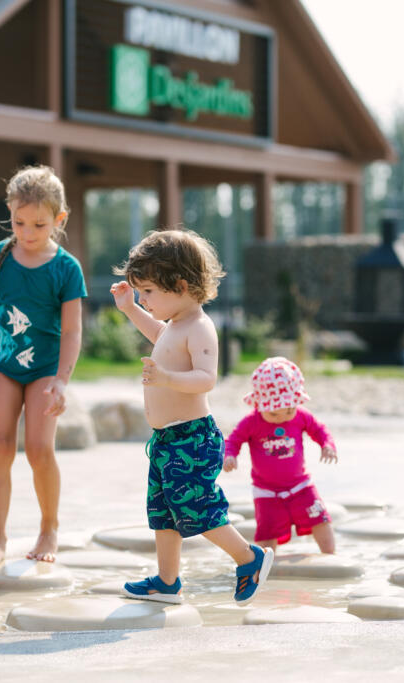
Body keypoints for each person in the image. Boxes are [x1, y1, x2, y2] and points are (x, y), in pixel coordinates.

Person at [110, 229, 273, 605]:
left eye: (148, 292)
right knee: (163, 513)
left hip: (192, 439)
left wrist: (167, 378)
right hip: (166, 441)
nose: (144, 298)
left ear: (180, 285)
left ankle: (250, 558)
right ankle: (168, 582)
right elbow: (158, 335)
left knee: (198, 508)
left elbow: (206, 379)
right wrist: (130, 310)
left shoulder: (199, 327)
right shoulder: (173, 326)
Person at [0, 165, 86, 569]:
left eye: (39, 224)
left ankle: (49, 527)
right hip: (2, 365)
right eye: (19, 222)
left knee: (38, 450)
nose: (28, 232)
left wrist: (61, 381)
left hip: (44, 372)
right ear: (10, 212)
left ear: (59, 219)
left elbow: (72, 332)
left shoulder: (66, 269)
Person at [223, 356, 338, 555]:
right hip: (267, 492)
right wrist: (229, 455)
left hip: (301, 486)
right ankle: (265, 566)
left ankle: (330, 556)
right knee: (266, 533)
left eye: (289, 410)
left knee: (321, 519)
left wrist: (327, 444)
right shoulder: (252, 422)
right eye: (274, 414)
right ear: (259, 404)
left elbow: (319, 429)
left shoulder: (301, 415)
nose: (282, 417)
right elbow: (233, 440)